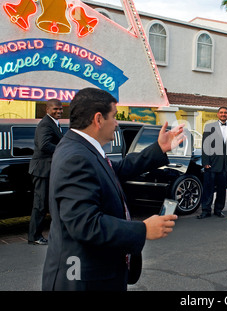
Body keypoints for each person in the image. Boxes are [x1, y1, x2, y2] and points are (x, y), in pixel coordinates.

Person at [42, 88, 184, 291]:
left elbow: (117, 169)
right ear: (98, 119)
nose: (116, 123)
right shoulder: (76, 156)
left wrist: (158, 149)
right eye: (114, 117)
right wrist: (143, 230)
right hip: (83, 281)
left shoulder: (82, 148)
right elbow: (85, 224)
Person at [28, 99, 64, 245]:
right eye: (55, 109)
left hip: (48, 170)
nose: (59, 111)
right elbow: (44, 145)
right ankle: (34, 236)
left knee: (48, 203)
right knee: (40, 204)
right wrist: (63, 150)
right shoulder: (45, 124)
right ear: (47, 109)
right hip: (42, 170)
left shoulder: (54, 123)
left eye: (61, 109)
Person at [197, 107, 227, 219]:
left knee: (222, 189)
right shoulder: (209, 127)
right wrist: (205, 162)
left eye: (225, 113)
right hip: (212, 163)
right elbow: (205, 145)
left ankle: (219, 210)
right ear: (218, 114)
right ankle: (205, 210)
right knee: (208, 188)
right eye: (221, 112)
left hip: (225, 164)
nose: (223, 114)